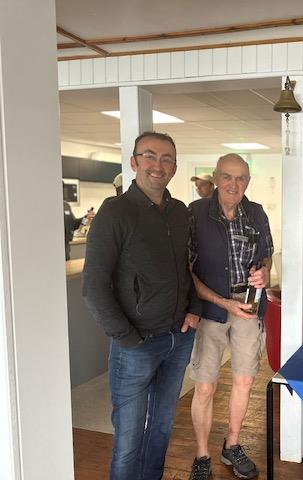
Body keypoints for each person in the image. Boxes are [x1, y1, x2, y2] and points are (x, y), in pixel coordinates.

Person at [82, 131, 201, 480]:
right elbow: (93, 287)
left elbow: (186, 267)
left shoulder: (179, 212)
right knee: (129, 438)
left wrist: (193, 309)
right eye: (150, 156)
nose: (158, 165)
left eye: (166, 159)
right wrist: (127, 338)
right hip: (136, 345)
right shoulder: (115, 212)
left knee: (162, 427)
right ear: (134, 162)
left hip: (178, 339)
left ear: (175, 168)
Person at [187, 153, 273, 480]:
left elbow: (266, 255)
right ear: (216, 177)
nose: (233, 184)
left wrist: (264, 272)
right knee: (205, 387)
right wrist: (222, 302)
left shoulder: (256, 213)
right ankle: (202, 454)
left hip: (249, 308)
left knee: (245, 379)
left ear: (247, 182)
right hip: (211, 308)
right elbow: (188, 271)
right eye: (227, 176)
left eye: (240, 178)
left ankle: (232, 444)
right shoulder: (194, 214)